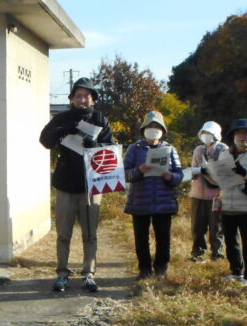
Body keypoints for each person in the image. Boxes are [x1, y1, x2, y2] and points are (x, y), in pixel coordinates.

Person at [39, 77, 115, 292]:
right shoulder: (62, 118)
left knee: (90, 233)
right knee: (63, 233)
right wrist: (63, 130)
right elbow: (44, 140)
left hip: (91, 185)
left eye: (87, 96)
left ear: (93, 99)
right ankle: (62, 273)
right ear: (72, 98)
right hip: (65, 184)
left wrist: (96, 145)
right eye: (79, 95)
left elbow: (111, 148)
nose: (83, 99)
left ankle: (89, 273)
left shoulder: (101, 119)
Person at [205, 119, 247, 288]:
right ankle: (236, 271)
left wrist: (244, 172)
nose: (244, 136)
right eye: (240, 133)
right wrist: (210, 173)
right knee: (231, 241)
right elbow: (220, 179)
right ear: (233, 136)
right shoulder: (225, 154)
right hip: (227, 203)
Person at [123, 111, 183, 279]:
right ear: (143, 129)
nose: (153, 129)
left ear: (163, 130)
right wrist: (138, 171)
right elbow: (124, 174)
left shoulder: (170, 149)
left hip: (164, 201)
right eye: (150, 126)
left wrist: (171, 177)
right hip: (140, 200)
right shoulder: (134, 149)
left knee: (163, 238)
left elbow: (179, 174)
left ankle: (161, 269)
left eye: (157, 126)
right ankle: (144, 269)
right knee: (141, 238)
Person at [185, 121, 226, 262]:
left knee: (216, 227)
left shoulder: (224, 150)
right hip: (197, 193)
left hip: (217, 195)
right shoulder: (198, 150)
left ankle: (217, 255)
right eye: (204, 133)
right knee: (197, 227)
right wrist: (193, 172)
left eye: (208, 133)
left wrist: (206, 170)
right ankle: (197, 254)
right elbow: (193, 169)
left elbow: (223, 174)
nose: (205, 136)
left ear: (216, 135)